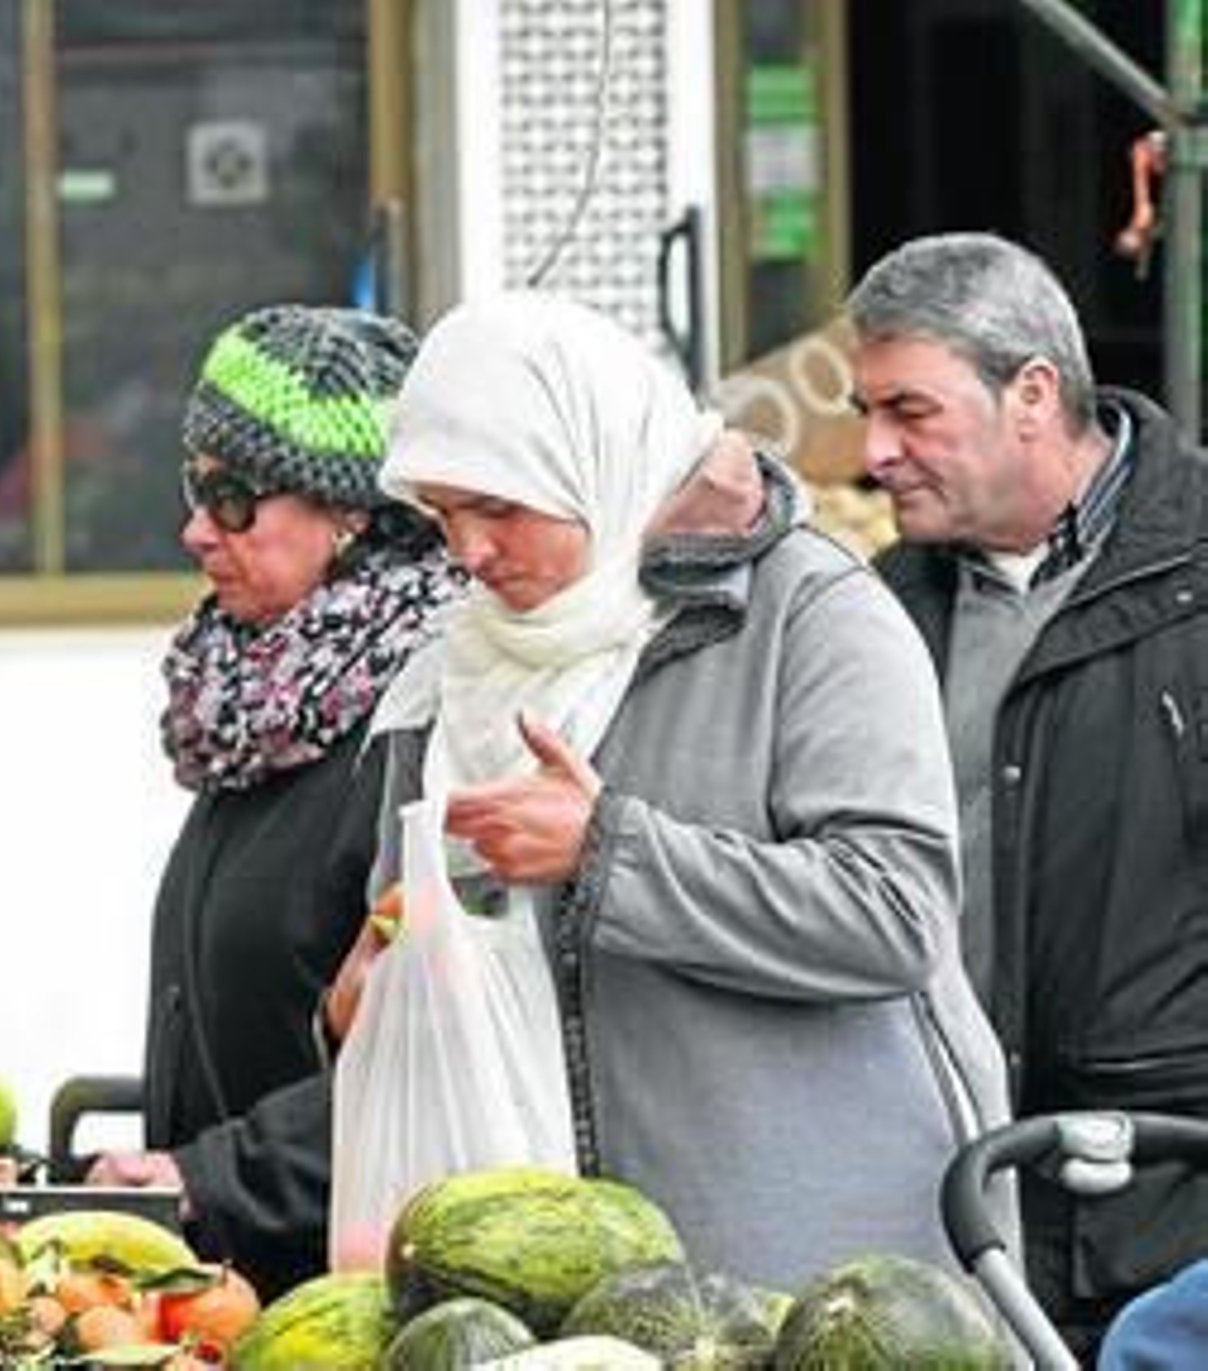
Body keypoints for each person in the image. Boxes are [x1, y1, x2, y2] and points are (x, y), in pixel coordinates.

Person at [327, 291, 1013, 1295]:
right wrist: (368, 998)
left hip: (826, 1282)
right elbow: (406, 932)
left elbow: (895, 912)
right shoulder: (455, 672)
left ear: (594, 464)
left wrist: (608, 853)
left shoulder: (809, 613)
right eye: (443, 514)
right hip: (555, 1293)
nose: (470, 552)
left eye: (501, 508)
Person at [846, 230, 1208, 1361]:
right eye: (866, 412)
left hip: (1166, 1228)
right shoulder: (871, 615)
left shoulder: (1196, 583)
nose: (874, 452)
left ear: (1033, 395)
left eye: (910, 411)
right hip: (947, 1221)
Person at [84, 304, 462, 1298]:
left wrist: (214, 1179)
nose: (195, 531)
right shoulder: (257, 704)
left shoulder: (426, 720)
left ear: (354, 517)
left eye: (234, 499)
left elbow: (429, 1057)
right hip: (235, 1284)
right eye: (194, 488)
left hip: (354, 1298)